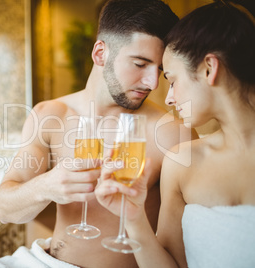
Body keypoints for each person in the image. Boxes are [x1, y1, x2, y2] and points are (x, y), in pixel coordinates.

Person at [0, 0, 195, 267]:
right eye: (139, 63)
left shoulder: (171, 135)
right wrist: (47, 186)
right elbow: (5, 210)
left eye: (158, 70)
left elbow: (181, 256)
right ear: (100, 53)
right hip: (42, 260)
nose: (152, 83)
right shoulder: (50, 115)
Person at [95, 1, 255, 267]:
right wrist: (134, 219)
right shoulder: (182, 162)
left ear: (208, 69)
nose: (168, 97)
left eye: (171, 79)